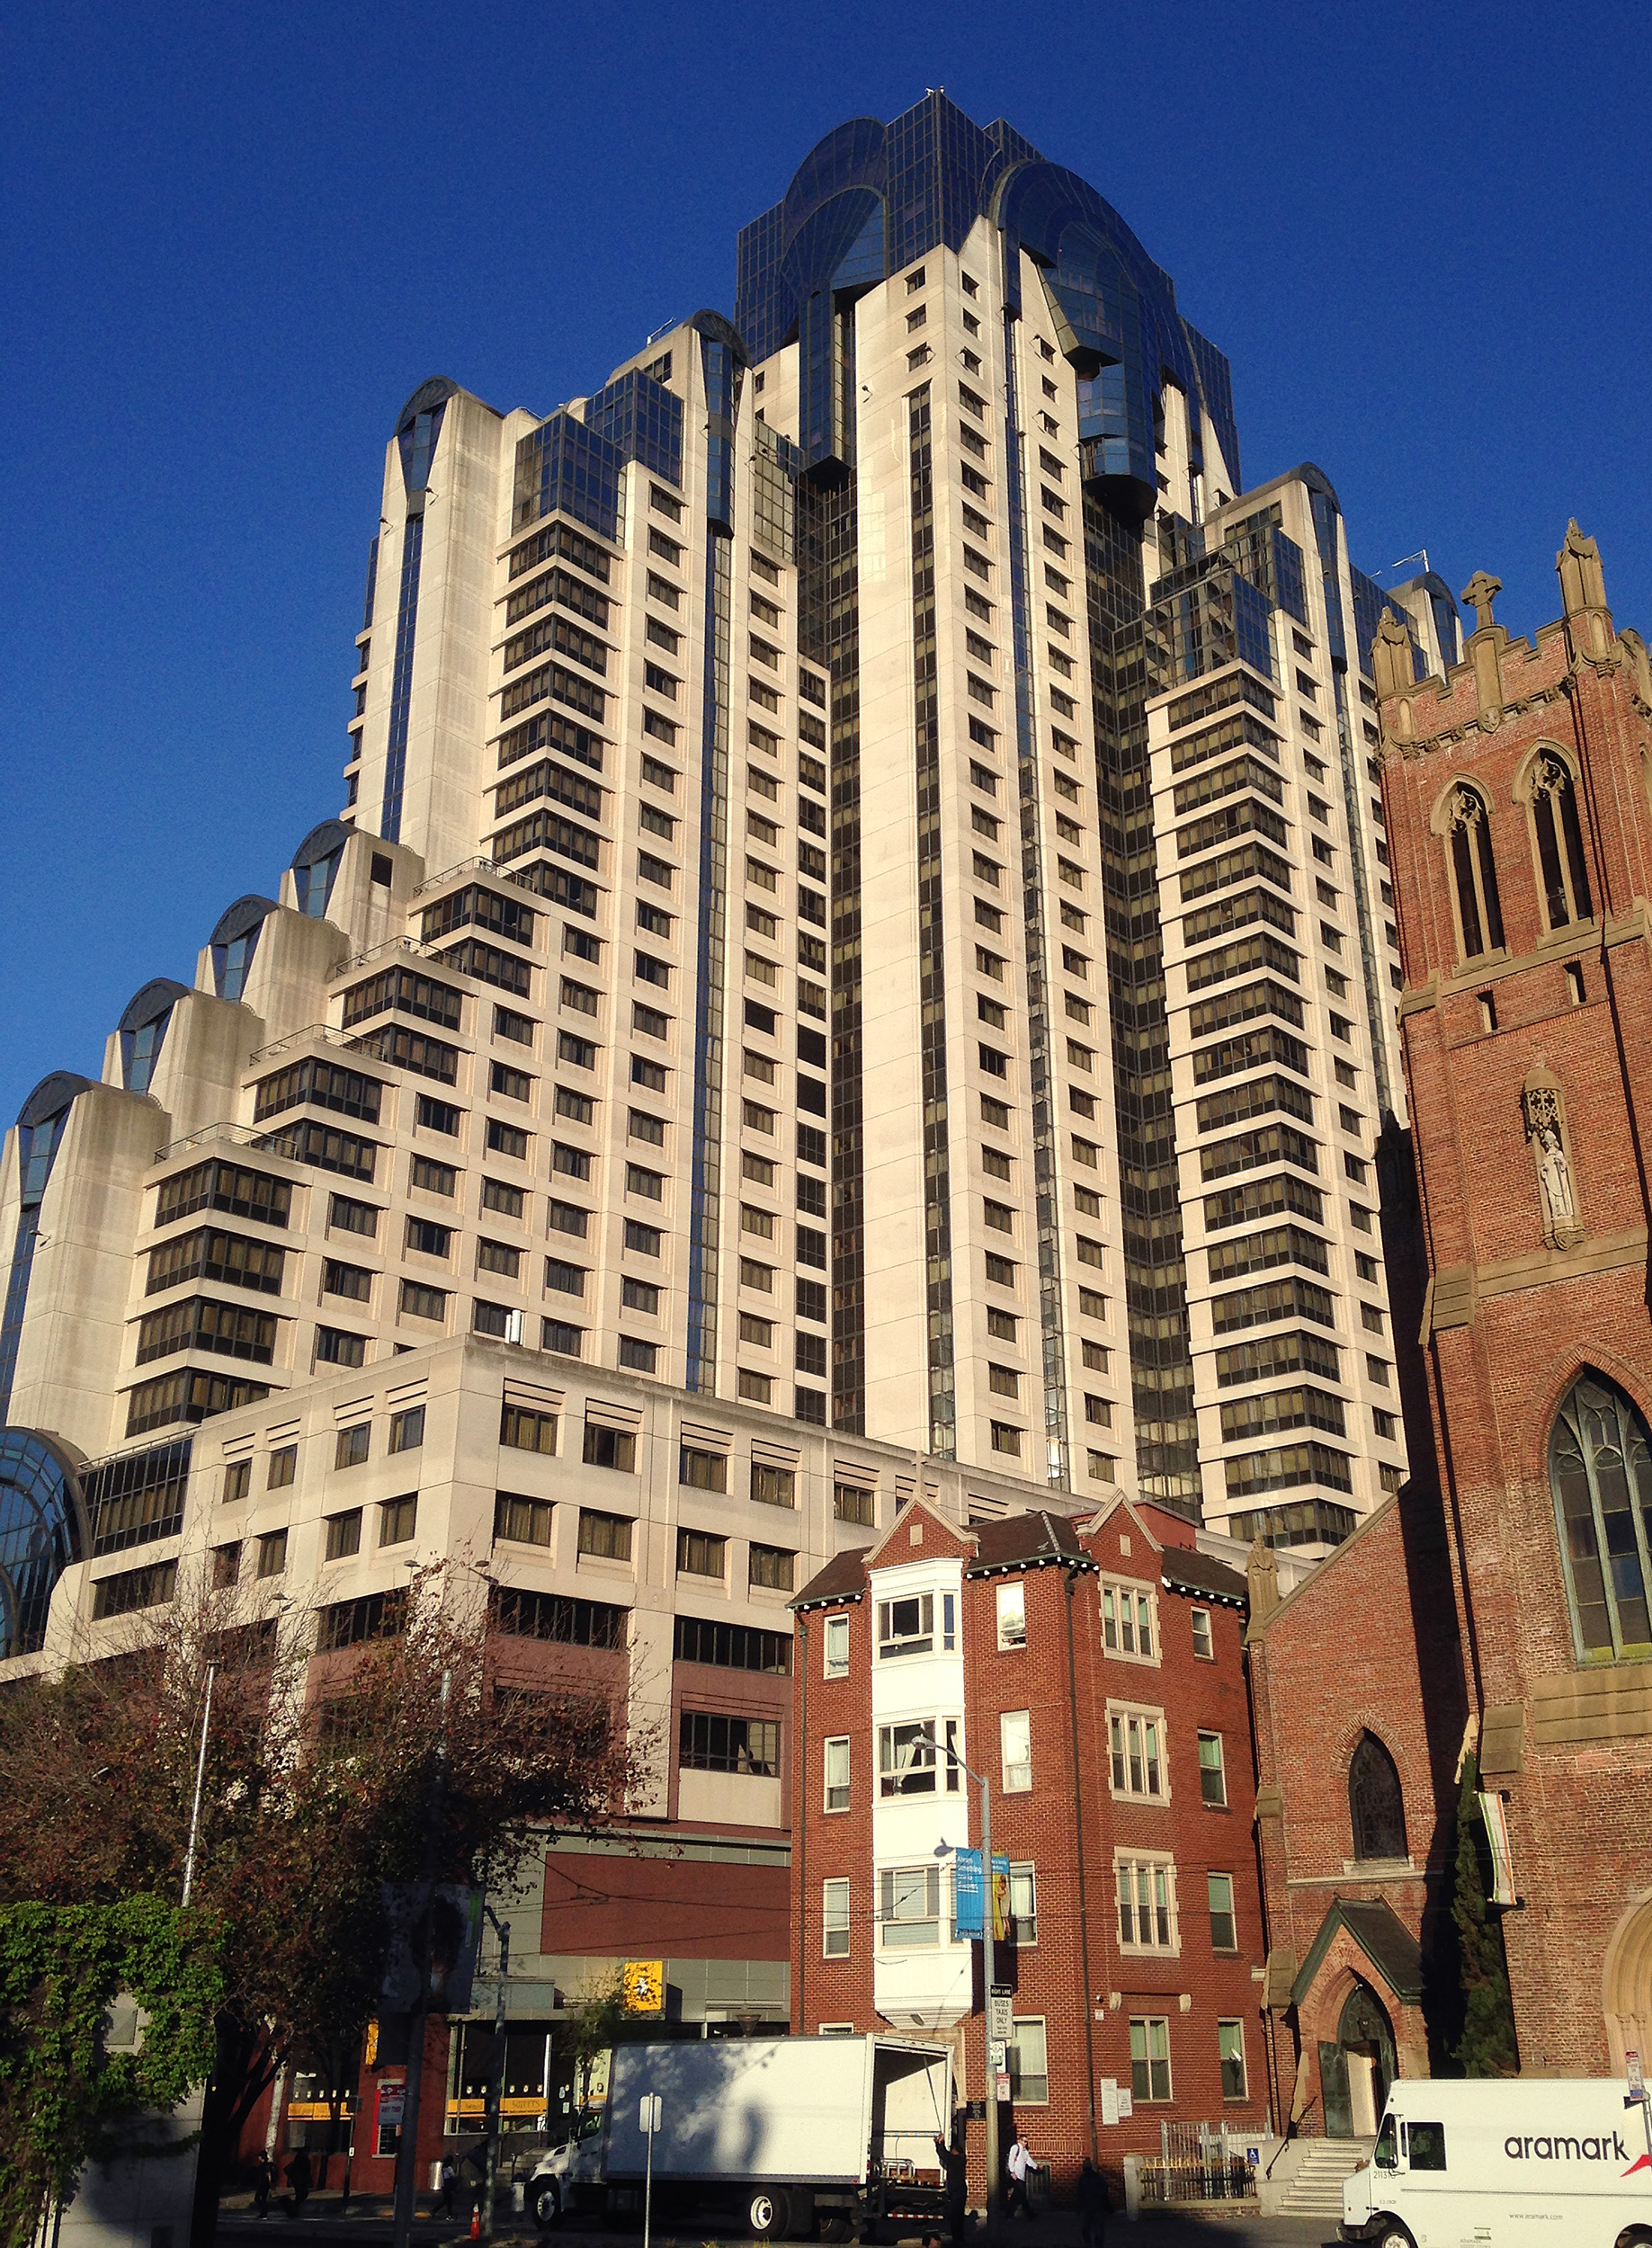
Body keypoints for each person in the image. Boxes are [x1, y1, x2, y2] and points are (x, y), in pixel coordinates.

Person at [932, 2128, 969, 2247]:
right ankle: (959, 2238)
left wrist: (939, 2143)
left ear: (955, 2152)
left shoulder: (955, 2160)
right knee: (958, 2216)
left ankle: (957, 2239)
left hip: (956, 2191)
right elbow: (946, 2155)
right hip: (960, 2190)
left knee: (955, 2217)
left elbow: (944, 2155)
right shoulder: (960, 2160)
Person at [1076, 2158, 1110, 2248]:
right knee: (1098, 2229)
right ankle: (1097, 2245)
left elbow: (1079, 2194)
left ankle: (1089, 2244)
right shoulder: (1098, 2178)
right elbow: (1104, 2191)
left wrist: (1077, 2207)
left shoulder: (1082, 2179)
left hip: (1088, 2207)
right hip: (1096, 2206)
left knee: (1086, 2228)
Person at [1005, 2135, 1032, 2220]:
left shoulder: (1025, 2151)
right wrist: (1012, 2172)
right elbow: (1011, 2160)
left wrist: (1036, 2166)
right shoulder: (1015, 2148)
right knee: (1022, 2195)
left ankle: (1009, 2214)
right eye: (1024, 2141)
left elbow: (1029, 2161)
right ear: (1020, 2140)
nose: (1025, 2143)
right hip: (1016, 2176)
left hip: (1021, 2176)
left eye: (1026, 2142)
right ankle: (1029, 2214)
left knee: (1016, 2196)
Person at [284, 2147, 311, 2222]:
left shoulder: (300, 2159)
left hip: (299, 2180)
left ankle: (294, 2208)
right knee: (301, 2194)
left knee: (301, 2194)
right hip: (300, 2180)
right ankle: (294, 2208)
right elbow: (304, 2171)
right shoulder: (302, 2160)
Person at [434, 2153, 460, 2219]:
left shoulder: (443, 2168)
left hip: (445, 2186)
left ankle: (436, 2210)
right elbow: (453, 2176)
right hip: (448, 2186)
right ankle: (449, 2214)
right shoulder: (449, 2169)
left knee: (446, 2200)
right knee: (448, 2201)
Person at [252, 2150, 273, 2221]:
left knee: (259, 2198)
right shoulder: (264, 2165)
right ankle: (263, 2212)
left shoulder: (265, 2165)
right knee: (262, 2199)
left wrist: (270, 2183)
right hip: (263, 2184)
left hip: (264, 2184)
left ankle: (264, 2212)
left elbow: (268, 2174)